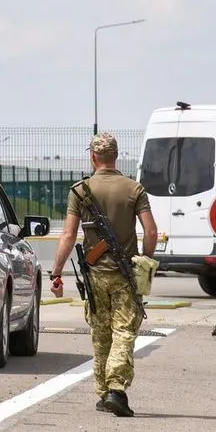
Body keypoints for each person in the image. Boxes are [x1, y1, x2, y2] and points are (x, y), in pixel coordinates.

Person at [49, 132, 158, 417]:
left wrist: (56, 272)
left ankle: (102, 392)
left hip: (94, 274)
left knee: (100, 333)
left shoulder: (80, 190)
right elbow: (151, 231)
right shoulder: (135, 189)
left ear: (93, 157)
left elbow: (69, 235)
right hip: (125, 274)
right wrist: (145, 260)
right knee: (124, 330)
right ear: (116, 156)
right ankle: (116, 390)